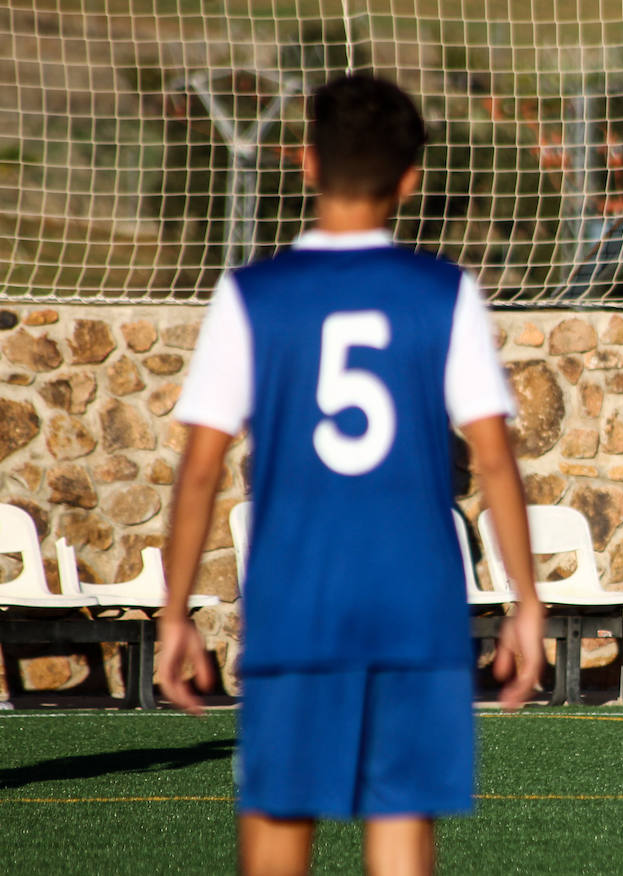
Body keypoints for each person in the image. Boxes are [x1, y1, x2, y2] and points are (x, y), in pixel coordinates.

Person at [158, 73, 546, 876]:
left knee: (280, 823)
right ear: (410, 180)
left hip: (297, 602)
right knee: (399, 832)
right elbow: (495, 459)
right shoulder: (444, 292)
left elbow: (198, 472)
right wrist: (526, 601)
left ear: (306, 162)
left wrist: (173, 612)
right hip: (416, 606)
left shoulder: (252, 295)